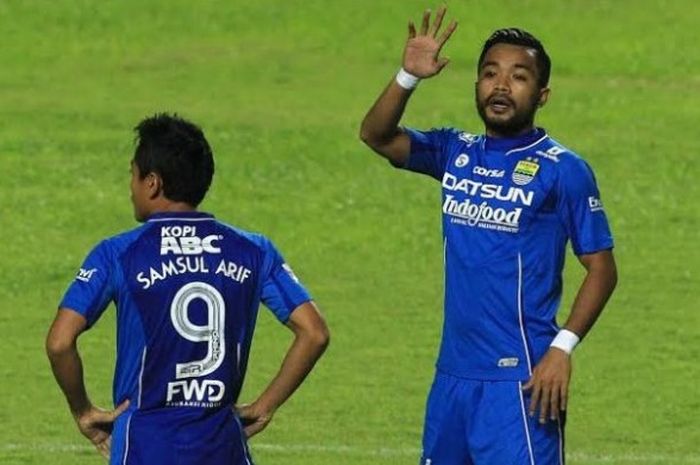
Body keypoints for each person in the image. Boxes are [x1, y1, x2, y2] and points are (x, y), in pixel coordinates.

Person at [360, 6, 617, 465]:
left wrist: (562, 349)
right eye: (490, 73)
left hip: (522, 379)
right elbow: (377, 136)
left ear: (542, 95)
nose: (501, 85)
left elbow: (602, 268)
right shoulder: (453, 152)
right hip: (452, 377)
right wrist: (407, 76)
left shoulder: (564, 171)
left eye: (519, 77)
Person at [46, 113, 330, 465]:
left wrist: (83, 411)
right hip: (222, 445)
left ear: (152, 183)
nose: (130, 186)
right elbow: (314, 333)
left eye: (132, 175)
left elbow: (60, 342)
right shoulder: (254, 251)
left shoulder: (118, 253)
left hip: (145, 445)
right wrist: (264, 406)